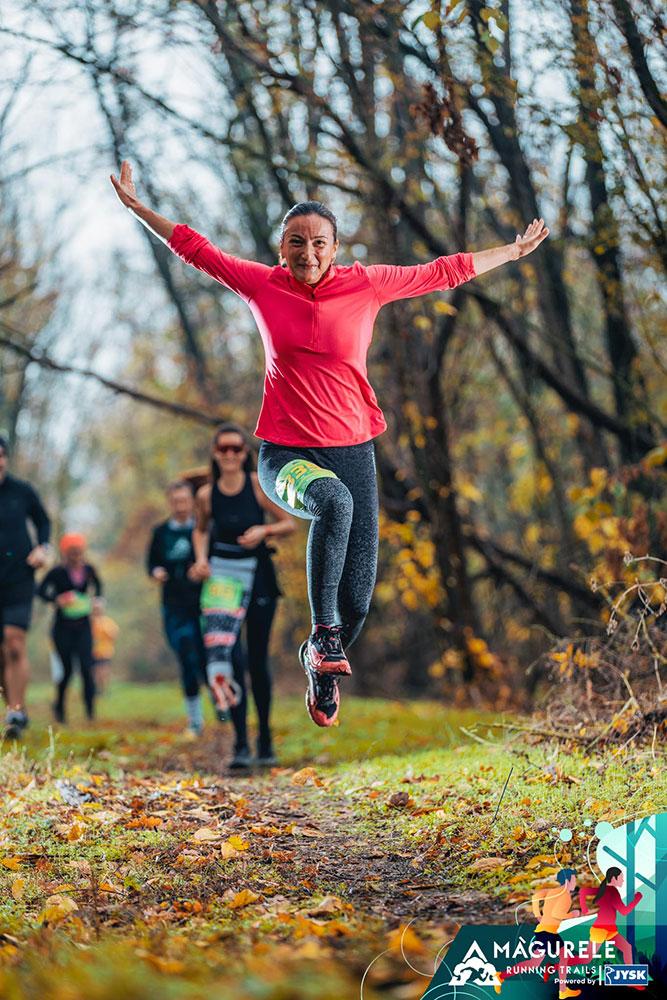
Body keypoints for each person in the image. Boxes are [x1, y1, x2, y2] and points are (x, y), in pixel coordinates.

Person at [110, 161, 549, 727]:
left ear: (335, 248)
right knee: (332, 504)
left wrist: (510, 253)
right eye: (297, 243)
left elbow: (445, 271)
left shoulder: (366, 285)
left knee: (359, 601)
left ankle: (321, 661)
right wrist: (139, 208)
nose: (308, 253)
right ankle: (322, 637)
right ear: (281, 247)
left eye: (319, 243)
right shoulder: (262, 285)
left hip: (353, 452)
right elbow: (196, 248)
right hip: (285, 456)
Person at [190, 423, 295, 768]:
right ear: (215, 454)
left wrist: (263, 530)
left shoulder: (257, 486)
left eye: (237, 449)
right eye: (224, 449)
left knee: (257, 660)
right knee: (230, 659)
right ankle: (240, 744)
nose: (231, 455)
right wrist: (202, 560)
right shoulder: (207, 495)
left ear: (245, 454)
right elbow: (200, 530)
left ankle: (264, 739)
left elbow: (289, 523)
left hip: (260, 576)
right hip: (223, 582)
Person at [147, 480, 207, 738]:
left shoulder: (202, 528)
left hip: (202, 602)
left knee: (204, 654)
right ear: (169, 503)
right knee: (184, 651)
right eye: (176, 501)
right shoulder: (160, 532)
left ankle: (222, 703)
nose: (181, 506)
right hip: (173, 604)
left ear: (192, 501)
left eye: (185, 501)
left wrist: (202, 570)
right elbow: (151, 563)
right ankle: (195, 718)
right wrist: (156, 572)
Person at [0, 435, 51, 739]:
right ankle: (14, 710)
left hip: (20, 576)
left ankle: (16, 710)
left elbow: (43, 521)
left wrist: (43, 548)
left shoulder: (22, 491)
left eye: (0, 455)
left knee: (14, 642)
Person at [37, 533, 103, 723]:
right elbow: (40, 590)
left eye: (78, 551)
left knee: (86, 668)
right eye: (71, 552)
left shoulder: (89, 570)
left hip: (83, 625)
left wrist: (97, 600)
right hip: (62, 628)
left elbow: (98, 586)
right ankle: (60, 710)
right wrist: (56, 600)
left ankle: (90, 714)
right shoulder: (57, 572)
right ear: (65, 552)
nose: (75, 555)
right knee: (66, 670)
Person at [494, 868, 583, 1000]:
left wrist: (538, 915)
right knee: (534, 963)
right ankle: (501, 976)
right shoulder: (565, 896)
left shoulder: (553, 891)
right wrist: (572, 914)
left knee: (563, 957)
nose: (575, 882)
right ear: (568, 880)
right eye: (574, 879)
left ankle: (563, 990)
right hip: (547, 933)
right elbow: (556, 914)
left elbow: (536, 896)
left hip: (549, 932)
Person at [579, 867, 643, 968]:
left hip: (610, 930)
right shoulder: (612, 891)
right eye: (621, 878)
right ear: (614, 878)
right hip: (600, 930)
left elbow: (583, 891)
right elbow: (624, 911)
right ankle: (556, 966)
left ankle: (630, 974)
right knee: (586, 959)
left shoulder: (604, 889)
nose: (622, 880)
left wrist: (584, 909)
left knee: (627, 948)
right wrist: (637, 898)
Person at [91, 607, 120, 694]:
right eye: (95, 609)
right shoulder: (90, 622)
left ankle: (103, 689)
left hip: (105, 652)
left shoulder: (107, 622)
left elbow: (114, 635)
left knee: (103, 671)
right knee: (94, 672)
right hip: (93, 652)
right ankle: (95, 689)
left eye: (98, 609)